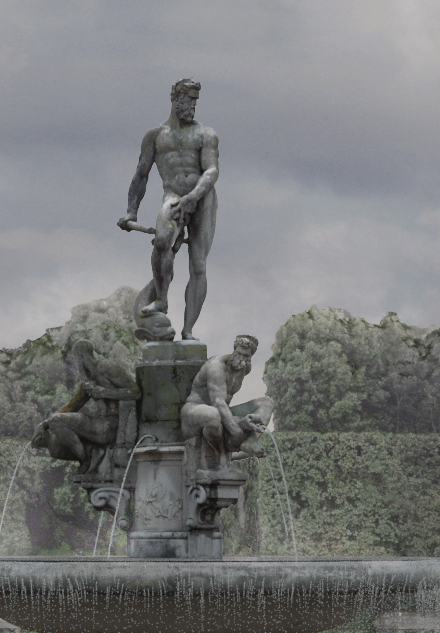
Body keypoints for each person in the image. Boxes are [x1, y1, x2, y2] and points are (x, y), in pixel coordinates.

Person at [119, 78, 217, 341]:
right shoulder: (155, 136)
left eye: (196, 101)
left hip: (203, 197)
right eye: (188, 100)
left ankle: (187, 331)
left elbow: (211, 170)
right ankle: (161, 300)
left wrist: (194, 196)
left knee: (197, 265)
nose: (192, 106)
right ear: (175, 99)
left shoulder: (206, 134)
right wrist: (131, 211)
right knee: (162, 241)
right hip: (173, 196)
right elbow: (141, 174)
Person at [32, 339, 137, 472]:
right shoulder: (88, 381)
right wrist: (43, 425)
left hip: (112, 426)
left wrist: (104, 392)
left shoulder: (105, 368)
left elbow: (135, 391)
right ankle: (90, 454)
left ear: (81, 355)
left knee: (56, 421)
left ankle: (87, 458)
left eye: (77, 358)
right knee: (55, 435)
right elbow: (71, 407)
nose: (77, 363)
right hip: (99, 425)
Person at [181, 334, 274, 470]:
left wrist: (245, 423)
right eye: (239, 353)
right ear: (234, 349)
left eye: (246, 356)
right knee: (213, 414)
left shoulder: (245, 368)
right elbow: (218, 403)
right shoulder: (216, 367)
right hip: (195, 412)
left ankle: (251, 442)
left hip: (222, 412)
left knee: (267, 403)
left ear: (250, 356)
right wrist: (237, 429)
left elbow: (224, 406)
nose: (241, 358)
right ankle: (221, 452)